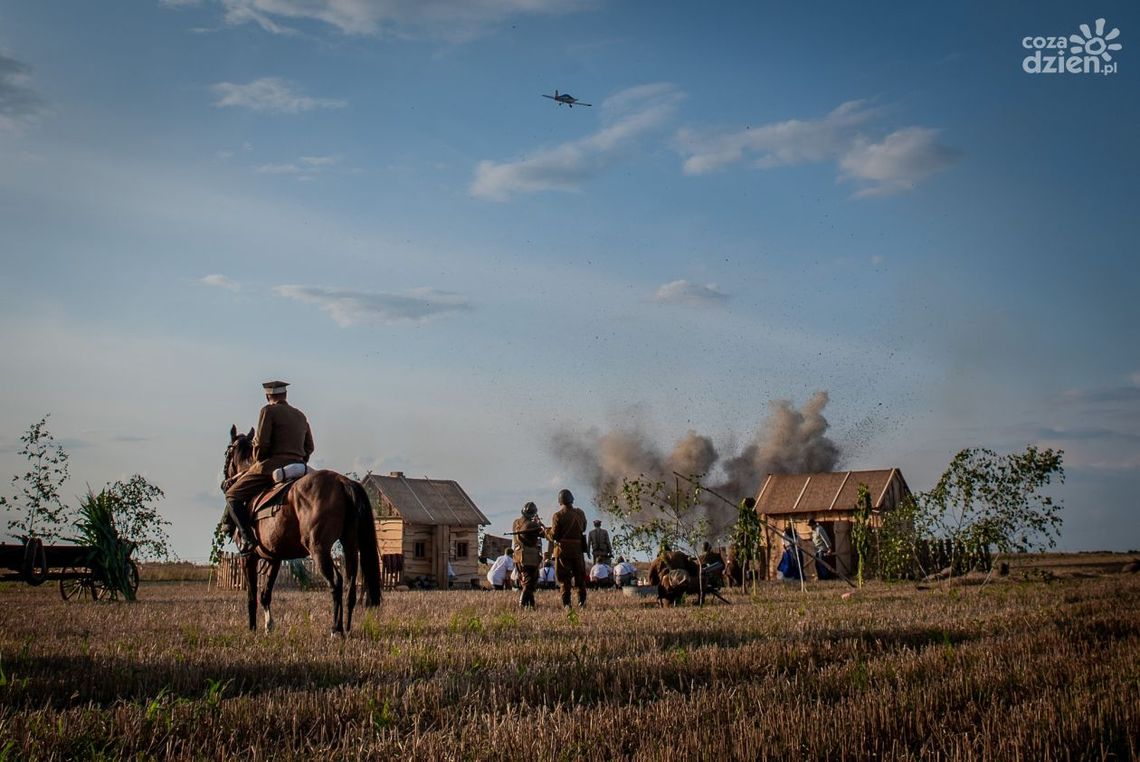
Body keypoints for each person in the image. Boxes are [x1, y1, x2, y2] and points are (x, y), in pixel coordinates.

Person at [222, 380, 314, 555]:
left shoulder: (268, 411)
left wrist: (258, 458)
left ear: (267, 396)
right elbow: (310, 447)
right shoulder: (300, 415)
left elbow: (262, 444)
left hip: (271, 467)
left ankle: (248, 539)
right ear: (285, 395)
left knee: (232, 495)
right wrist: (300, 458)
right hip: (300, 466)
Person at [546, 488, 588, 608]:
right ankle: (582, 602)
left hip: (563, 551)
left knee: (564, 579)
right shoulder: (580, 513)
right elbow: (583, 528)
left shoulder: (558, 516)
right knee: (580, 577)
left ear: (560, 501)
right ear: (572, 499)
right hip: (578, 550)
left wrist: (546, 532)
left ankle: (567, 604)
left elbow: (554, 536)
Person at [512, 501, 544, 608]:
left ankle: (531, 606)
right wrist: (539, 524)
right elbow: (543, 533)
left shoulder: (516, 522)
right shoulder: (532, 524)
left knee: (527, 583)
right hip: (528, 557)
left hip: (517, 557)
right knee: (529, 584)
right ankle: (522, 605)